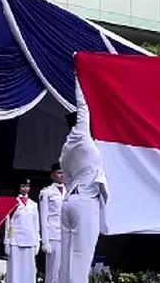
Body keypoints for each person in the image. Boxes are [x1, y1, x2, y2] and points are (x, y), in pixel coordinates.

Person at [58, 110, 109, 283]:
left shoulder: (65, 151)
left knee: (66, 256)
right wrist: (84, 84)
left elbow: (66, 179)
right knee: (82, 254)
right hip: (85, 200)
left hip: (70, 199)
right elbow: (83, 106)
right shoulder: (84, 141)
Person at [5, 178, 40, 283]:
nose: (25, 189)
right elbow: (8, 223)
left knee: (29, 270)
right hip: (16, 240)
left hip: (30, 240)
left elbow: (36, 224)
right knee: (15, 269)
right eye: (23, 186)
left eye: (27, 186)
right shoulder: (12, 203)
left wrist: (37, 241)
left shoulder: (33, 204)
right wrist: (7, 241)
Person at [39, 162, 65, 283]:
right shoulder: (47, 193)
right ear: (53, 175)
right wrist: (45, 241)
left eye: (63, 172)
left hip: (66, 234)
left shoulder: (69, 190)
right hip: (53, 234)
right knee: (53, 270)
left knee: (64, 269)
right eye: (59, 172)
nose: (62, 175)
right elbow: (44, 217)